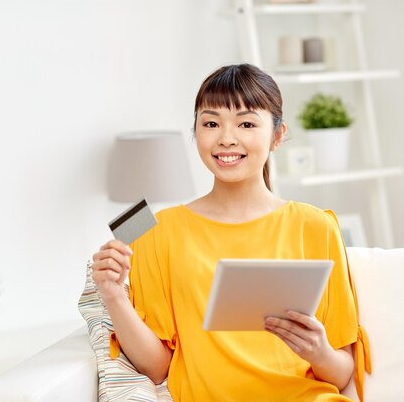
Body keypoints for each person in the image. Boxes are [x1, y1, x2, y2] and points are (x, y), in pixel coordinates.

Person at [91, 63, 370, 402]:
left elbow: (342, 373)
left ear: (278, 136)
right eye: (210, 123)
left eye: (247, 124)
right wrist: (114, 296)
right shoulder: (158, 231)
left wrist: (318, 350)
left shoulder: (315, 227)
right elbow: (156, 367)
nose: (226, 138)